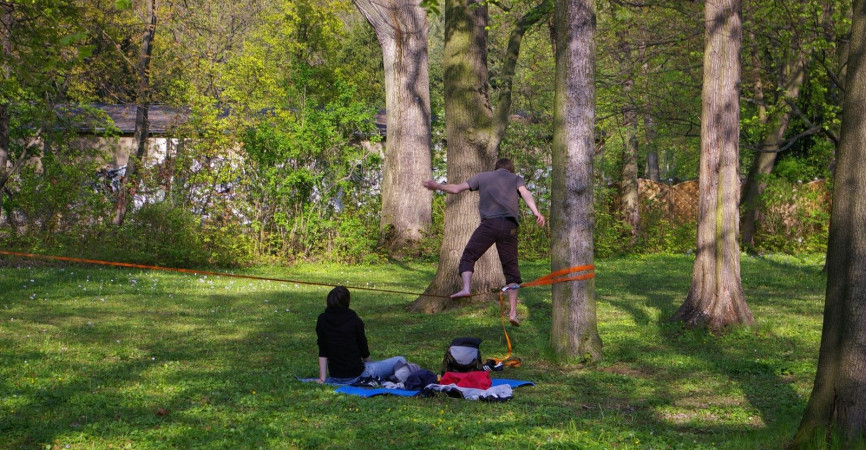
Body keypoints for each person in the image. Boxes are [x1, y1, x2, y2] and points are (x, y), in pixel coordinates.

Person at [422, 158, 546, 327]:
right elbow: (525, 193)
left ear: (495, 168)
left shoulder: (482, 176)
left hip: (490, 225)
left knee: (469, 256)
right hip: (510, 226)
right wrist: (536, 212)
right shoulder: (515, 178)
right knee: (511, 270)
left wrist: (437, 186)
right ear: (510, 169)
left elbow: (457, 189)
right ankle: (513, 313)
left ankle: (466, 288)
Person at [316, 286, 406, 384]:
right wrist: (369, 365)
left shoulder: (322, 320)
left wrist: (322, 378)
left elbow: (323, 350)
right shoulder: (354, 321)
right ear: (347, 302)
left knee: (373, 365)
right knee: (400, 360)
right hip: (358, 375)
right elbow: (363, 347)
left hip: (336, 375)